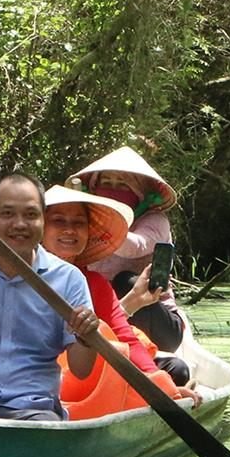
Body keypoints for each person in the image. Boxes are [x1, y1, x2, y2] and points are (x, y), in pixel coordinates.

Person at [0, 171, 101, 420]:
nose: (20, 224)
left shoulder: (68, 278)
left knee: (43, 426)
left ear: (42, 220)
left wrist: (87, 337)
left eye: (31, 215)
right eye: (7, 214)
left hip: (32, 410)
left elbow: (81, 370)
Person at [69, 146, 187, 357]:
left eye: (122, 184)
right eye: (107, 183)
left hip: (160, 325)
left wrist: (102, 225)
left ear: (139, 191)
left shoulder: (155, 221)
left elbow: (135, 247)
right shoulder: (85, 223)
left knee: (125, 281)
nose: (113, 189)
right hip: (105, 316)